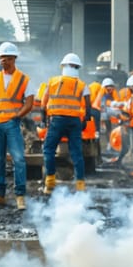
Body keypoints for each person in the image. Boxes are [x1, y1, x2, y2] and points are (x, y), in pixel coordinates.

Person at [0, 42, 34, 209]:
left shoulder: (24, 79)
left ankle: (20, 195)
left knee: (19, 159)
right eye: (1, 58)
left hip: (11, 125)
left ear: (14, 59)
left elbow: (30, 102)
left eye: (7, 58)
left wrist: (17, 116)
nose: (4, 61)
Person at [41, 52, 90, 194]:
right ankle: (80, 185)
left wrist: (44, 120)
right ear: (77, 68)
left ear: (63, 66)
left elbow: (43, 105)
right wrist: (86, 120)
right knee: (76, 153)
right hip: (74, 122)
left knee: (49, 150)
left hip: (56, 121)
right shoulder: (82, 85)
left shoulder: (52, 81)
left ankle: (49, 183)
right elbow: (88, 105)